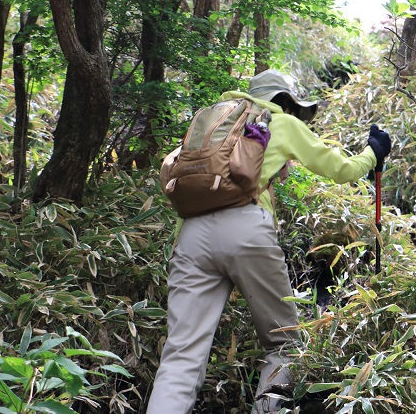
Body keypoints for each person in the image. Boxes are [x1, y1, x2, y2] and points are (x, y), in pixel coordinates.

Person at [146, 69, 392, 414]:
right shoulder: (280, 123)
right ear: (284, 101)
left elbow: (171, 171)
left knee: (182, 354)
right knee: (284, 340)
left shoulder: (213, 122)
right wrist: (373, 152)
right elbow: (343, 171)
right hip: (247, 228)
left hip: (191, 236)